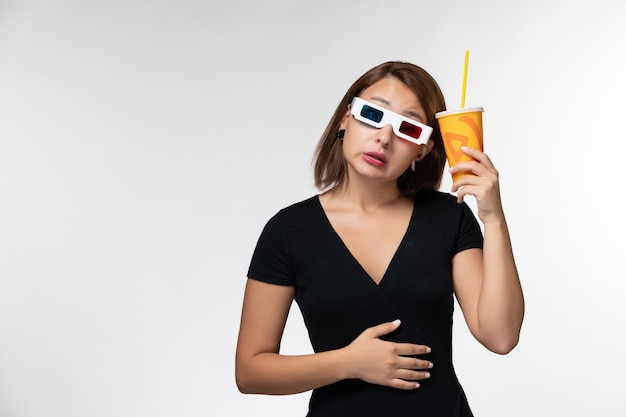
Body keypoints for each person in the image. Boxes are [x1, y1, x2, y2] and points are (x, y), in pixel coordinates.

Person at [235, 61, 524, 416]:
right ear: (345, 119)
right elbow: (250, 372)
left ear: (422, 148)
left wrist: (493, 217)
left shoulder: (449, 218)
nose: (384, 137)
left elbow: (501, 336)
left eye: (407, 127)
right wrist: (349, 362)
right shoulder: (287, 231)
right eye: (371, 114)